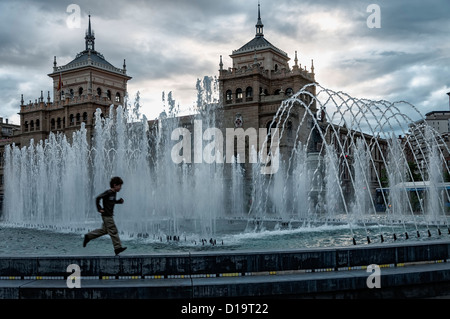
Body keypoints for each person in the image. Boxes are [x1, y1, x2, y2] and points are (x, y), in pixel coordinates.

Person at [83, 176, 127, 255]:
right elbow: (98, 198)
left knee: (104, 231)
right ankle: (117, 248)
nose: (120, 188)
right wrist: (99, 208)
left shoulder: (114, 193)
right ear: (115, 185)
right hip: (107, 216)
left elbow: (111, 202)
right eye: (120, 186)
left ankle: (88, 236)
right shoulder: (108, 192)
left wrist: (118, 202)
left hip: (108, 215)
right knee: (113, 231)